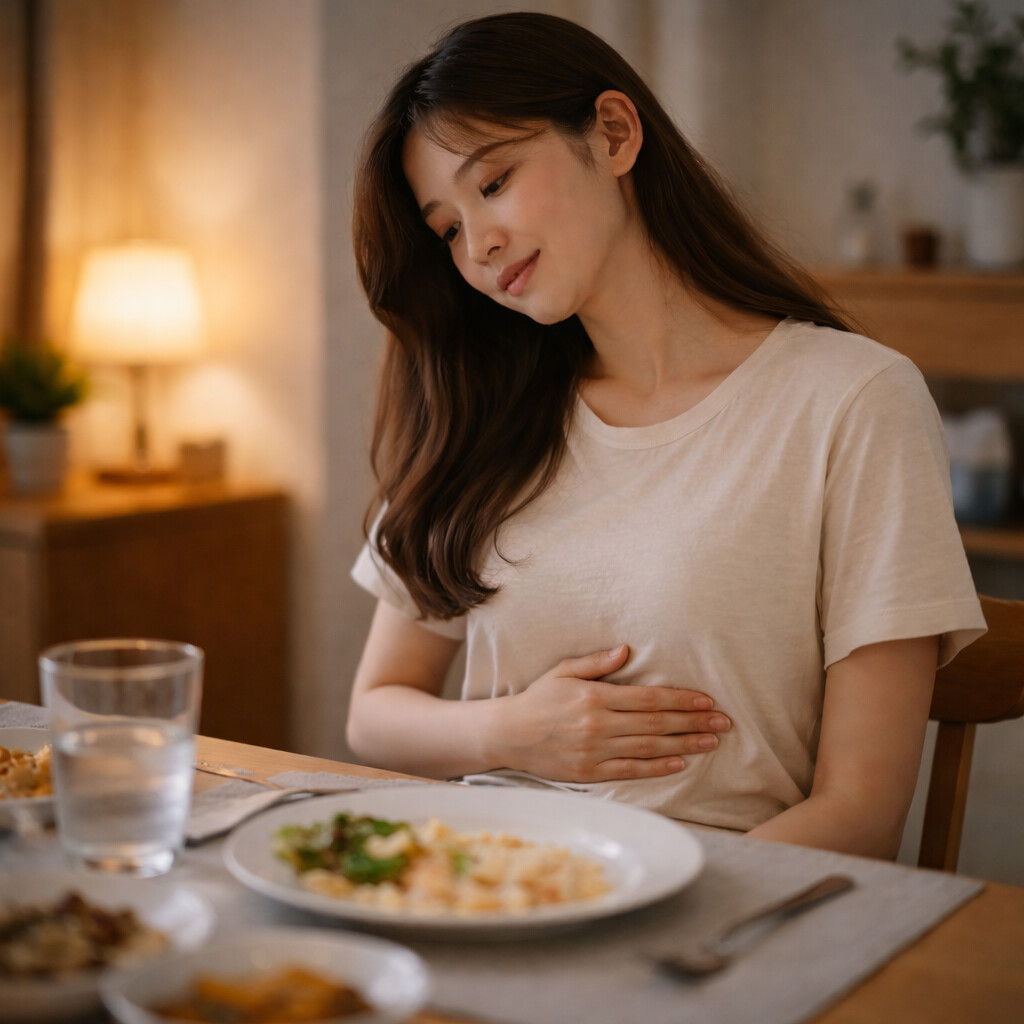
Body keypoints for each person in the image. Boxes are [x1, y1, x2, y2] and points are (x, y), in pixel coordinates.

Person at [345, 11, 986, 859]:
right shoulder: (483, 412)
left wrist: (637, 900)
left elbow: (863, 813)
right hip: (484, 886)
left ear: (613, 134)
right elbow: (374, 712)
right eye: (449, 229)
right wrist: (514, 733)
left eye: (494, 182)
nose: (480, 246)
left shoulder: (853, 399)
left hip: (723, 916)